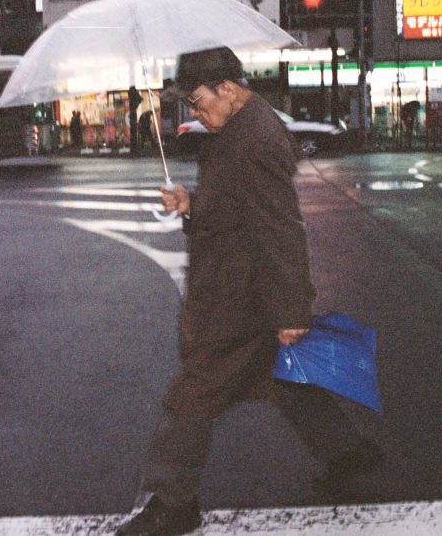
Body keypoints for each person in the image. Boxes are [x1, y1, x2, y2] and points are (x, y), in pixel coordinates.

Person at [116, 46, 380, 536]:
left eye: (197, 101)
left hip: (240, 302)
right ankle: (350, 456)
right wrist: (192, 204)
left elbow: (280, 228)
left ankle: (173, 505)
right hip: (243, 292)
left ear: (230, 90)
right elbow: (236, 209)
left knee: (191, 396)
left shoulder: (253, 140)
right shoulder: (239, 129)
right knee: (284, 379)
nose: (195, 113)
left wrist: (292, 309)